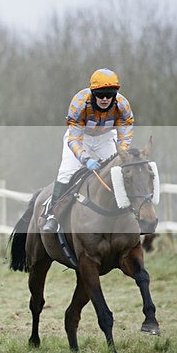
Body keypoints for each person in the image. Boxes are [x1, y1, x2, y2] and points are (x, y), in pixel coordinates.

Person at [41, 68, 134, 233]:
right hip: (80, 138)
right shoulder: (79, 103)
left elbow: (125, 137)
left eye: (109, 94)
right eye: (100, 95)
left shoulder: (123, 106)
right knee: (66, 172)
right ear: (93, 93)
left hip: (106, 138)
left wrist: (122, 155)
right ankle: (53, 215)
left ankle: (129, 213)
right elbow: (74, 138)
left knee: (118, 171)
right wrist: (85, 159)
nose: (105, 99)